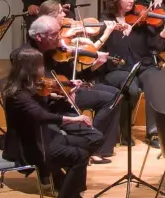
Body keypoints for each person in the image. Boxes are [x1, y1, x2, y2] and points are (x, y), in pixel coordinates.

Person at [1, 46, 105, 198]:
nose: (43, 69)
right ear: (30, 68)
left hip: (42, 137)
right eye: (40, 65)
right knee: (80, 156)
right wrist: (73, 119)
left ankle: (71, 195)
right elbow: (41, 116)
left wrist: (62, 91)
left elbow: (40, 103)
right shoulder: (18, 94)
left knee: (87, 143)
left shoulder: (28, 86)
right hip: (30, 147)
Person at [25, 15, 122, 161]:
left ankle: (97, 149)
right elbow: (36, 89)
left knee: (113, 98)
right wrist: (59, 92)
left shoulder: (56, 50)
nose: (59, 37)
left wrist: (70, 84)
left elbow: (73, 73)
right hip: (51, 109)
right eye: (55, 35)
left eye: (59, 33)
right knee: (107, 104)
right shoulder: (26, 55)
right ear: (39, 37)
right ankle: (90, 151)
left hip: (64, 98)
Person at [99, 0, 165, 148]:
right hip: (117, 68)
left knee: (156, 80)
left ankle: (154, 132)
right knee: (132, 89)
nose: (132, 1)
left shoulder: (142, 18)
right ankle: (124, 131)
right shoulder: (107, 21)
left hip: (143, 65)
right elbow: (101, 47)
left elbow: (155, 46)